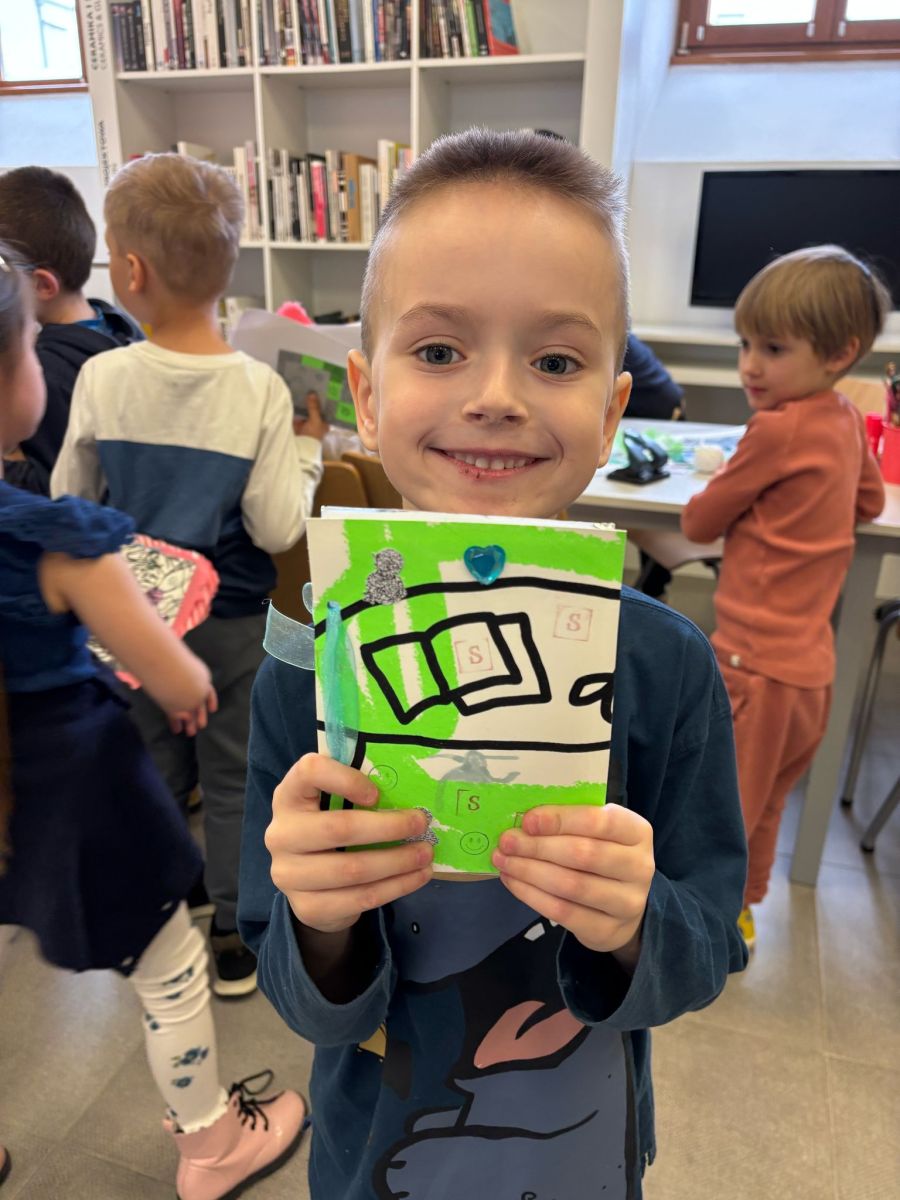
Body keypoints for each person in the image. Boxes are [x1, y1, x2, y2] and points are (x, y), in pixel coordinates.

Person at [238, 128, 748, 1200]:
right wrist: (321, 924)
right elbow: (290, 984)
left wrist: (635, 924)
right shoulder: (305, 667)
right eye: (438, 351)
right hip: (375, 1159)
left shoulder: (668, 667)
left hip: (581, 1155)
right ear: (365, 396)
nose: (497, 397)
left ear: (611, 413)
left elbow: (706, 948)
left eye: (556, 361)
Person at [0, 247, 306, 1200]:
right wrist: (182, 681)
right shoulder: (55, 544)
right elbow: (183, 664)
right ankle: (212, 1140)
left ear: (130, 270)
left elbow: (75, 479)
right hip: (85, 765)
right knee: (169, 958)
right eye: (28, 348)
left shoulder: (103, 380)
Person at [51, 153, 326, 998]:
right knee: (235, 774)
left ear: (131, 273)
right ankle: (235, 937)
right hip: (232, 623)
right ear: (228, 269)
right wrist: (310, 451)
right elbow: (277, 527)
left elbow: (69, 503)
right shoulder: (260, 391)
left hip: (131, 620)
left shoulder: (100, 375)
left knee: (152, 767)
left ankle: (163, 913)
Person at [682, 245, 888, 950]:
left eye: (772, 349)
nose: (750, 366)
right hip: (810, 674)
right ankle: (742, 909)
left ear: (839, 353)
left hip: (752, 666)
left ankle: (709, 925)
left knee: (724, 808)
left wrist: (742, 496)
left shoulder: (776, 429)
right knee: (765, 802)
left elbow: (698, 523)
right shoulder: (845, 419)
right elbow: (870, 502)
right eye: (745, 345)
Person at [0, 167, 144, 494]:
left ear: (43, 284)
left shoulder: (43, 372)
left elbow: (50, 490)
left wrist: (9, 455)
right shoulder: (117, 323)